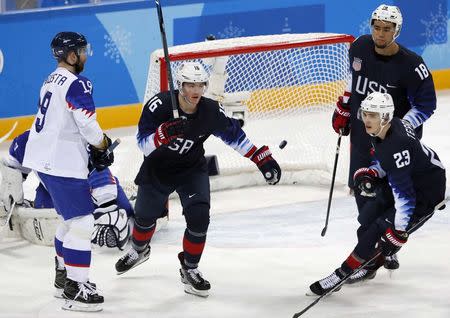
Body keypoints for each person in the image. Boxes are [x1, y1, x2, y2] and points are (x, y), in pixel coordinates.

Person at [115, 61, 281, 297]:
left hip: (191, 170)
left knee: (199, 218)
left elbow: (235, 136)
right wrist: (161, 136)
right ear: (180, 85)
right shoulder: (158, 106)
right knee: (144, 217)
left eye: (200, 85)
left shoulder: (210, 111)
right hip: (158, 168)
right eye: (190, 85)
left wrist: (260, 158)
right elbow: (143, 144)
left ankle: (190, 269)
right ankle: (139, 250)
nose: (195, 90)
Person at [331, 4, 437, 270]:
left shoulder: (413, 65)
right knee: (364, 196)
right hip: (361, 136)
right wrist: (344, 107)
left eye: (387, 29)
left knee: (390, 198)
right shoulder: (359, 48)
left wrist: (401, 126)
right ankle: (371, 254)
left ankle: (381, 250)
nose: (380, 34)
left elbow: (425, 105)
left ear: (396, 30)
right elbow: (352, 81)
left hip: (394, 144)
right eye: (377, 27)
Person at [309, 92, 446, 296]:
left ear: (385, 117)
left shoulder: (396, 145)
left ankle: (341, 274)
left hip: (425, 194)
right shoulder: (387, 129)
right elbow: (393, 162)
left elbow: (406, 199)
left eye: (373, 115)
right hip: (418, 178)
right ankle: (379, 258)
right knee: (367, 217)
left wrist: (399, 232)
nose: (367, 119)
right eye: (365, 113)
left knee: (380, 228)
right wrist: (374, 171)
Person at [22, 32, 114, 312]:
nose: (85, 55)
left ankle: (63, 278)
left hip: (43, 159)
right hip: (61, 163)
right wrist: (102, 144)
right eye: (82, 51)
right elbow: (86, 124)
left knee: (68, 219)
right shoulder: (78, 83)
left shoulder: (50, 79)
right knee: (83, 223)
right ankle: (76, 286)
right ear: (71, 55)